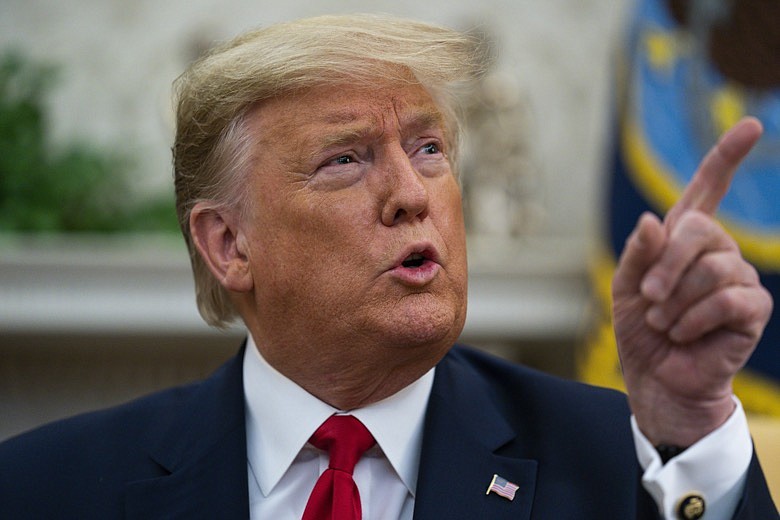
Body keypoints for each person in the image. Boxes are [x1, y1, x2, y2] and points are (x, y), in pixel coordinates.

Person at [0, 13, 776, 519]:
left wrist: (689, 423)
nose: (413, 195)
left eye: (429, 149)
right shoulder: (48, 489)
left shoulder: (619, 460)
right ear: (229, 244)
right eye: (345, 161)